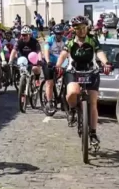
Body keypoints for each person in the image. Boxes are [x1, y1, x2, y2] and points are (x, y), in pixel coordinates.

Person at [55, 16, 112, 145]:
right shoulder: (70, 41)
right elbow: (64, 54)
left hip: (91, 72)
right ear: (74, 30)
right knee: (72, 93)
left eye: (83, 28)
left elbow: (99, 52)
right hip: (74, 71)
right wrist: (58, 64)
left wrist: (106, 62)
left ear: (87, 28)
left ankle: (92, 133)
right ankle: (73, 109)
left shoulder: (92, 39)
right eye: (78, 28)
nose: (81, 31)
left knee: (92, 102)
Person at [42, 23, 67, 110]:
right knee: (50, 82)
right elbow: (46, 50)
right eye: (57, 34)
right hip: (50, 62)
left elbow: (69, 53)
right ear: (54, 34)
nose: (59, 36)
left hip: (62, 62)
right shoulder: (50, 40)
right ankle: (49, 102)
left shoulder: (66, 40)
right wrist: (48, 61)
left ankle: (64, 98)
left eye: (60, 34)